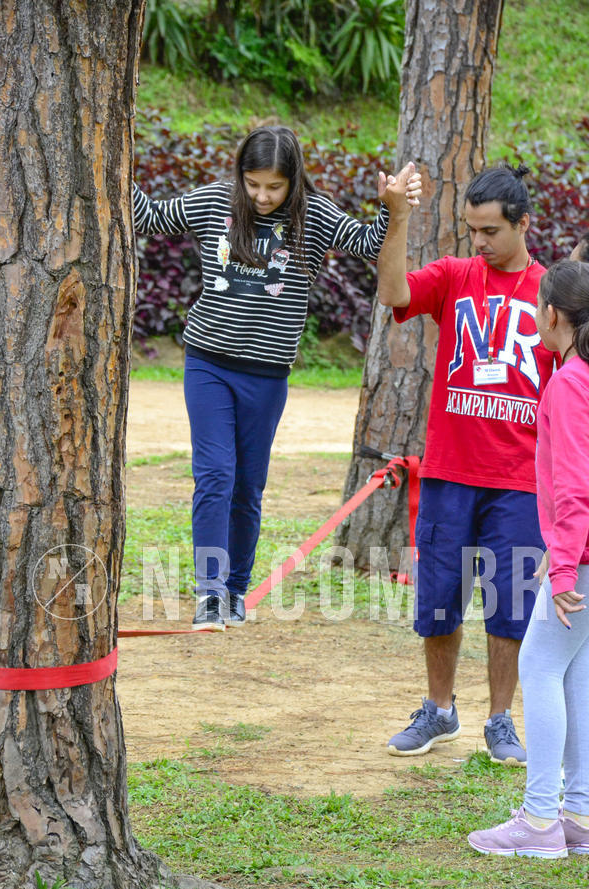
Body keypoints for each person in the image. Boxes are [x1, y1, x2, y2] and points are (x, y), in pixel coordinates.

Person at [133, 125, 422, 631]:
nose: (262, 197)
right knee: (215, 476)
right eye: (252, 184)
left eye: (274, 186)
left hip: (266, 376)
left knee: (247, 486)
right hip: (209, 363)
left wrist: (393, 206)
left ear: (293, 180)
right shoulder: (214, 203)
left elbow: (370, 243)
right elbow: (146, 215)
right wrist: (111, 146)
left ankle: (235, 590)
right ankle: (208, 594)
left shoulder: (312, 216)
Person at [376, 163, 557, 764]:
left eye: (489, 231)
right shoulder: (455, 277)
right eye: (471, 230)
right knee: (438, 598)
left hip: (521, 482)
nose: (478, 242)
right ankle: (439, 712)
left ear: (522, 224)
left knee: (510, 609)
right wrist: (397, 218)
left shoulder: (551, 292)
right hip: (451, 473)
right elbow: (395, 294)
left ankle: (501, 720)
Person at [468, 258, 589, 857]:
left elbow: (573, 486)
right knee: (579, 673)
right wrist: (559, 551)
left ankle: (540, 821)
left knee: (541, 669)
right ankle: (581, 816)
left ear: (552, 315)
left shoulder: (569, 383)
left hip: (582, 563)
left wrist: (564, 564)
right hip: (580, 555)